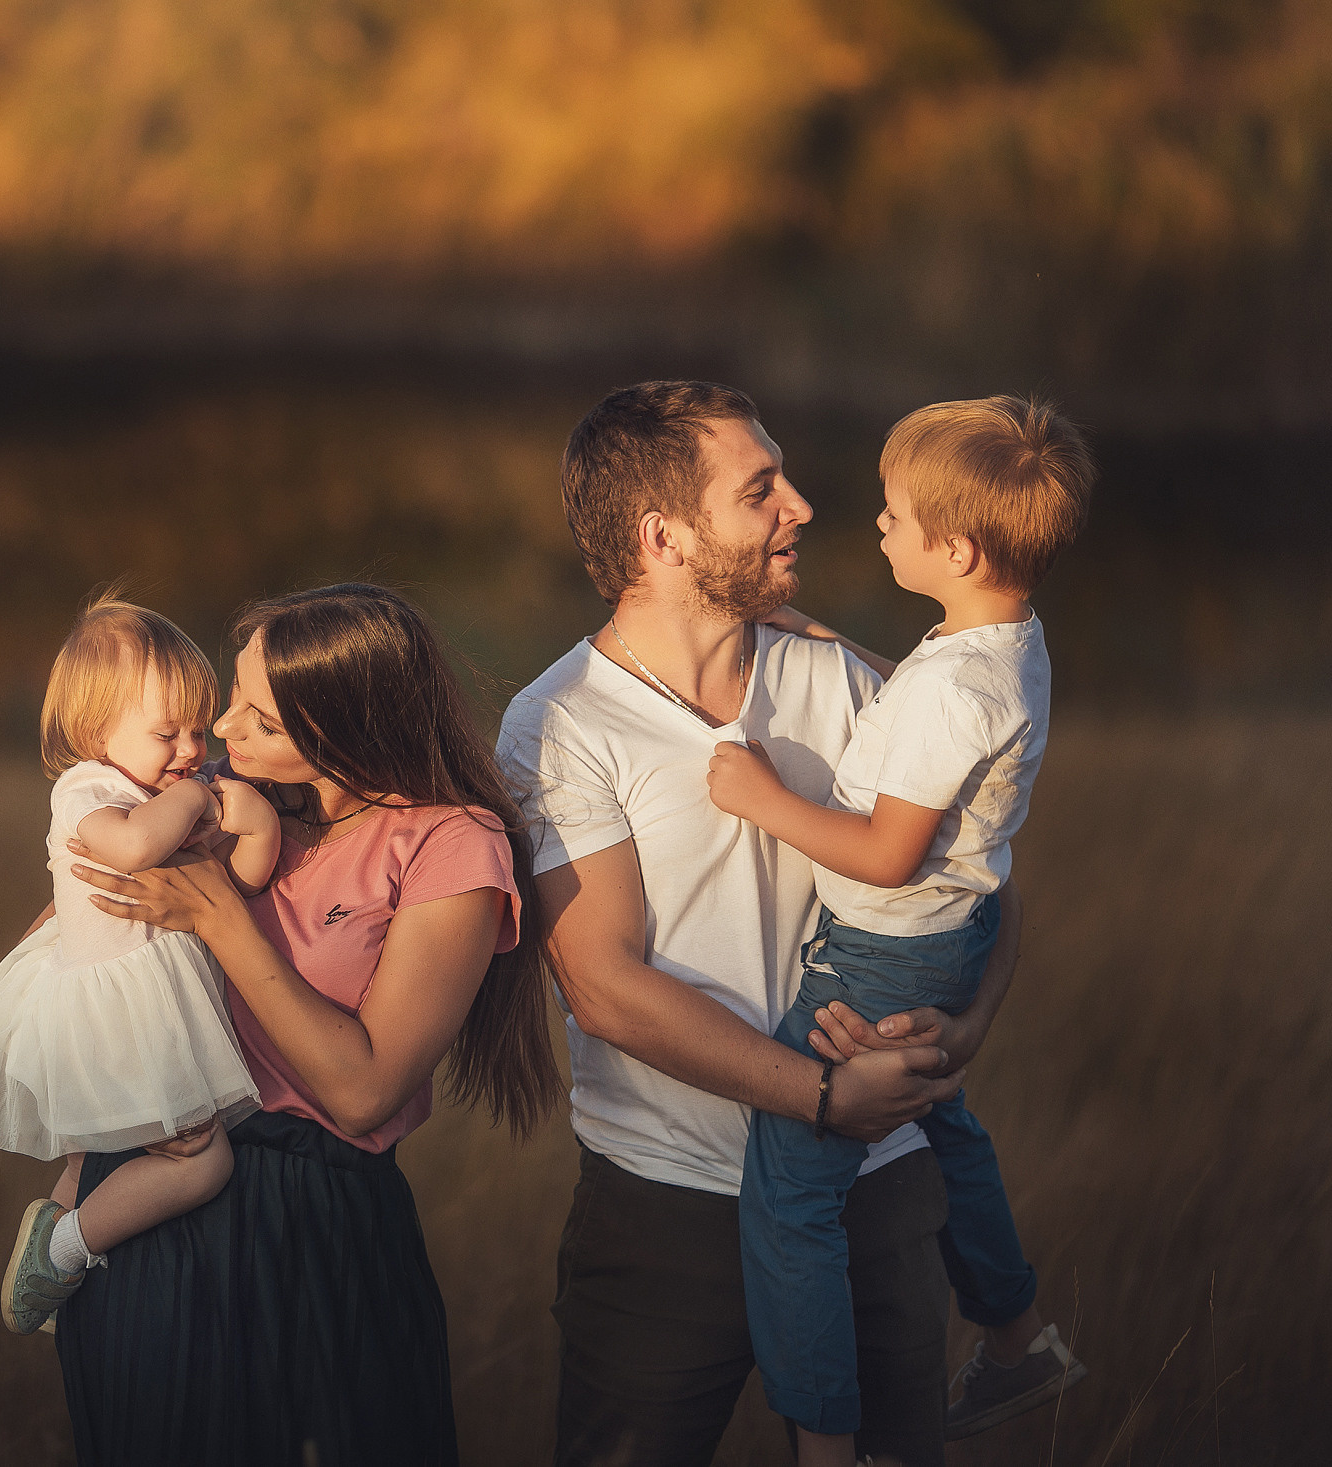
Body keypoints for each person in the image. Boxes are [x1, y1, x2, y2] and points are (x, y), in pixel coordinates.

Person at [497, 381, 1027, 1467]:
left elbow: (985, 884)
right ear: (664, 538)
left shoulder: (842, 680)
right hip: (664, 1211)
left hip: (877, 1193)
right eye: (759, 491)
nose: (800, 505)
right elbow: (603, 985)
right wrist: (825, 1096)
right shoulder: (560, 724)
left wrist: (958, 1041)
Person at [59, 583, 563, 1467]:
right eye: (235, 697)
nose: (220, 727)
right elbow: (73, 941)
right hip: (154, 1195)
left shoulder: (450, 844)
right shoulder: (216, 803)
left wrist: (218, 914)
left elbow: (364, 1091)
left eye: (259, 715)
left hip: (315, 1219)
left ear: (341, 725)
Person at [705, 397, 1092, 1459]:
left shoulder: (954, 693)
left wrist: (757, 797)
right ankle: (1015, 1334)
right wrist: (825, 635)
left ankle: (827, 1442)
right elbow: (931, 701)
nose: (873, 524)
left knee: (787, 1188)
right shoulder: (1002, 641)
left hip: (885, 947)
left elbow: (884, 852)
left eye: (893, 513)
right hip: (941, 937)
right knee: (942, 1117)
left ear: (956, 548)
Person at [0, 593, 273, 1335]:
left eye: (198, 728)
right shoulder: (88, 792)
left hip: (148, 1008)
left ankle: (57, 1230)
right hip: (114, 1016)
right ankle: (65, 1249)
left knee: (102, 1151)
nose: (190, 748)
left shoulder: (160, 794)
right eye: (167, 732)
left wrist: (249, 824)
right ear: (98, 731)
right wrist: (198, 797)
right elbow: (130, 848)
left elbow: (243, 886)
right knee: (201, 1161)